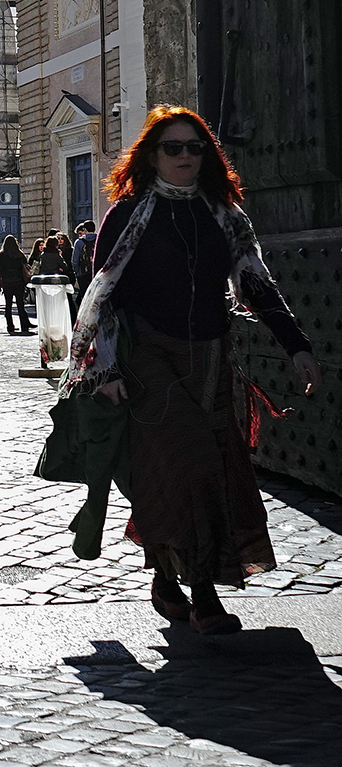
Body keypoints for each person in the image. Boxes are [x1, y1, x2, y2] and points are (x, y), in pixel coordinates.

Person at [63, 106, 321, 635]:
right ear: (152, 155)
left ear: (208, 156)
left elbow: (255, 282)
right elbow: (104, 293)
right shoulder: (128, 213)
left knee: (202, 472)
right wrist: (103, 367)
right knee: (191, 462)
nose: (185, 157)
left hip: (210, 357)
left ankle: (164, 574)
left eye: (194, 148)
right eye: (173, 148)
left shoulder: (223, 214)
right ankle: (202, 593)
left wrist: (296, 345)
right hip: (147, 359)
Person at [0, 236, 34, 335]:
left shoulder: (2, 255)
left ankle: (10, 326)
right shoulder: (20, 254)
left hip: (7, 282)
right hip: (19, 282)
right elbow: (26, 266)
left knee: (8, 305)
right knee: (20, 304)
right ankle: (24, 326)